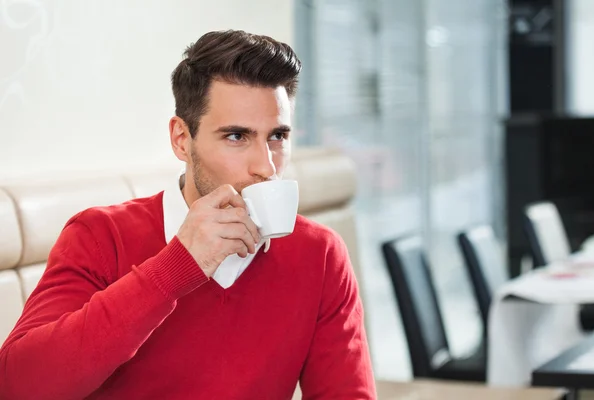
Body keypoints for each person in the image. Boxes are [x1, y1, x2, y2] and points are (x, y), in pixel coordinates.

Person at [0, 30, 375, 399]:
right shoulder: (100, 235)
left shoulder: (320, 254)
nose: (266, 166)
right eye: (236, 137)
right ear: (182, 138)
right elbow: (18, 386)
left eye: (277, 136)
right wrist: (177, 266)